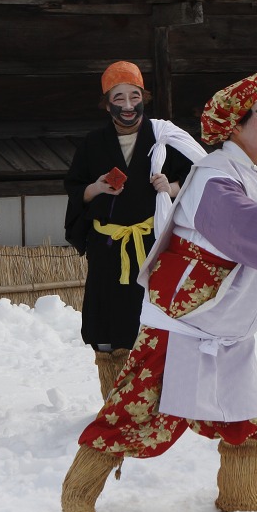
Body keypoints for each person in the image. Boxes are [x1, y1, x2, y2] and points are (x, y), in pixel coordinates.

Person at [60, 72, 257, 512]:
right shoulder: (212, 173)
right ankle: (78, 490)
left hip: (230, 317)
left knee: (244, 411)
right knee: (135, 407)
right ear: (233, 127)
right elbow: (235, 225)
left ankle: (242, 491)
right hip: (186, 316)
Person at [64, 61, 205, 399]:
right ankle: (114, 398)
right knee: (108, 319)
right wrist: (96, 187)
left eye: (134, 96)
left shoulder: (165, 138)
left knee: (153, 318)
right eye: (119, 98)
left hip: (153, 244)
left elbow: (202, 177)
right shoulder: (93, 143)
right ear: (107, 102)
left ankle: (154, 396)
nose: (128, 106)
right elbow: (74, 188)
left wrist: (171, 188)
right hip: (108, 246)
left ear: (145, 97)